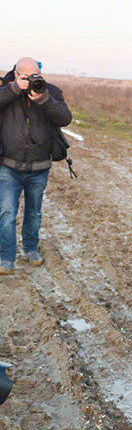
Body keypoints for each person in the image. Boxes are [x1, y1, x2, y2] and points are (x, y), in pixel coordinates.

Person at [0, 58, 72, 275]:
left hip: (39, 167)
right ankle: (6, 258)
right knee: (6, 212)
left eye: (36, 75)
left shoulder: (50, 91)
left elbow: (65, 118)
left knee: (34, 213)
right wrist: (14, 89)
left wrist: (44, 99)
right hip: (8, 165)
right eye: (27, 76)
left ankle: (30, 249)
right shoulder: (6, 89)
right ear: (16, 74)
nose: (32, 79)